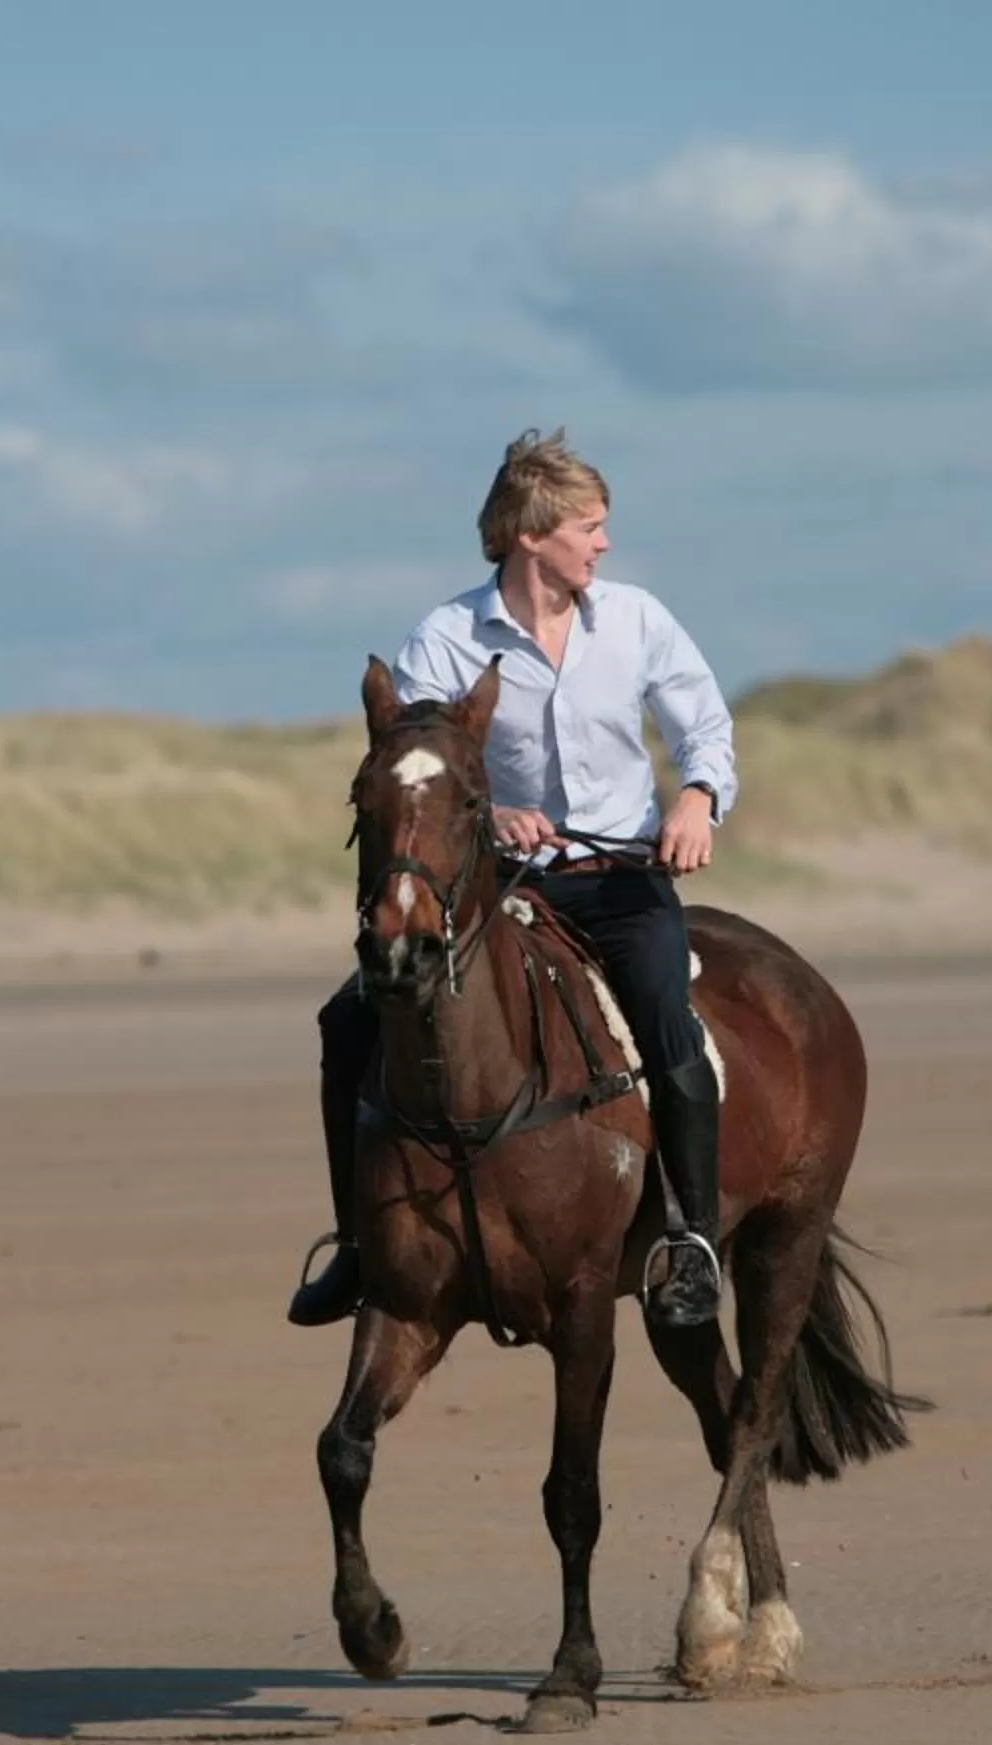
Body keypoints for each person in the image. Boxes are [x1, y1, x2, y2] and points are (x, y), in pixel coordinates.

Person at [289, 428, 739, 1331]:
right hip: (504, 891)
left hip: (619, 881)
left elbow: (705, 731)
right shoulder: (447, 637)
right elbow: (414, 765)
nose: (602, 543)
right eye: (588, 525)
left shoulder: (639, 619)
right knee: (349, 1018)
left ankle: (688, 1240)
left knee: (662, 1010)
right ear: (532, 534)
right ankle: (356, 1244)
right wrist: (490, 820)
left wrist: (697, 799)